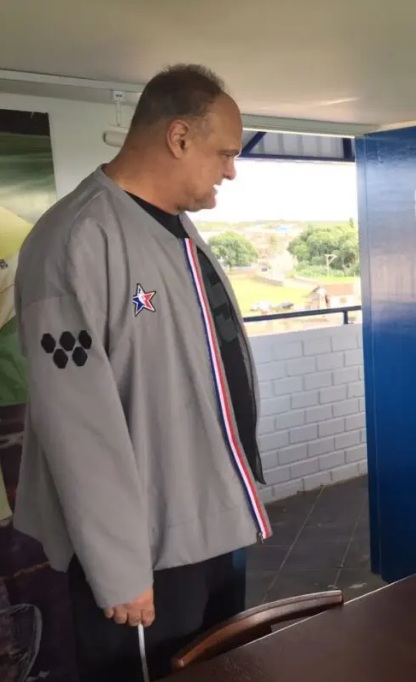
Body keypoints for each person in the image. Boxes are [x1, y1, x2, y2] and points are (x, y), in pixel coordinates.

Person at [13, 64, 271, 681]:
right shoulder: (79, 237)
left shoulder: (175, 227)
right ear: (179, 137)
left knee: (220, 667)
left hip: (208, 517)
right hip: (146, 548)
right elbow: (77, 428)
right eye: (225, 153)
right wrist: (120, 569)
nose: (231, 171)